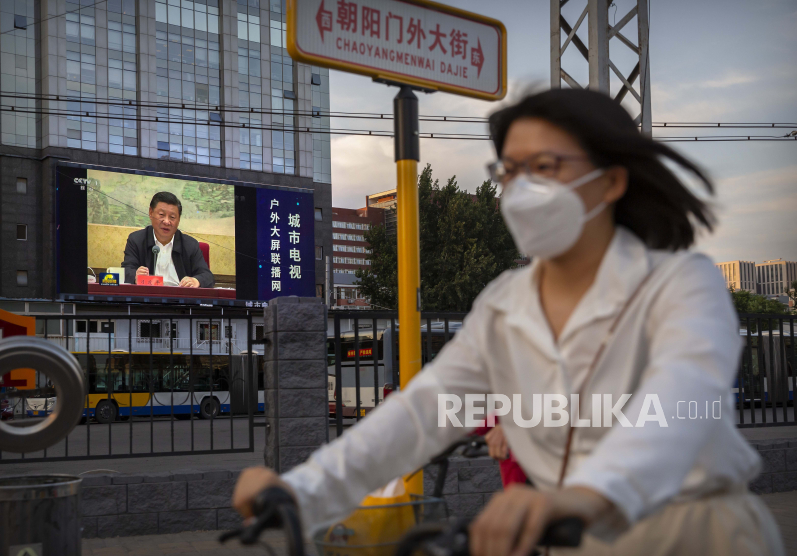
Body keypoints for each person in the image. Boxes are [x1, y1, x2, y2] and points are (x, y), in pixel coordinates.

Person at [232, 89, 784, 556]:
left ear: (612, 182)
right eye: (510, 171)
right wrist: (302, 489)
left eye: (545, 167)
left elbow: (678, 405)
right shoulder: (505, 303)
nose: (521, 188)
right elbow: (426, 411)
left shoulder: (681, 282)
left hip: (697, 533)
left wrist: (580, 495)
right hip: (578, 538)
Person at [121, 191, 214, 288]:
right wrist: (136, 275)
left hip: (179, 299)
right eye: (161, 215)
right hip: (148, 299)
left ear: (179, 220)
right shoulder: (136, 240)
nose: (166, 221)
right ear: (151, 213)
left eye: (172, 217)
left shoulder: (190, 245)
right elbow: (126, 270)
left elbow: (207, 276)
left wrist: (195, 281)